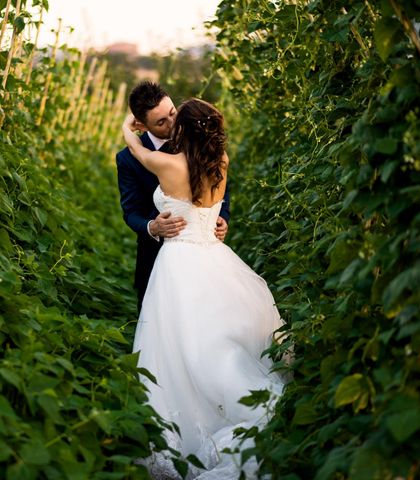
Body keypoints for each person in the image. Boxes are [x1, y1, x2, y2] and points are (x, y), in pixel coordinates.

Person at [122, 98, 285, 479]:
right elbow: (214, 204)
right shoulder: (221, 161)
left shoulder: (168, 164)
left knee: (177, 341)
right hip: (214, 256)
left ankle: (187, 410)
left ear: (184, 128)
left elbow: (134, 147)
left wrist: (130, 127)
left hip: (178, 261)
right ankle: (226, 397)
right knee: (215, 335)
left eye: (176, 116)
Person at [115, 81, 230, 312]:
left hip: (205, 251)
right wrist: (152, 227)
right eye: (161, 122)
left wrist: (222, 217)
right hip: (157, 257)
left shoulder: (203, 143)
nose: (172, 123)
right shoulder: (127, 159)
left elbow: (223, 189)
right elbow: (131, 212)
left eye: (172, 113)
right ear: (142, 126)